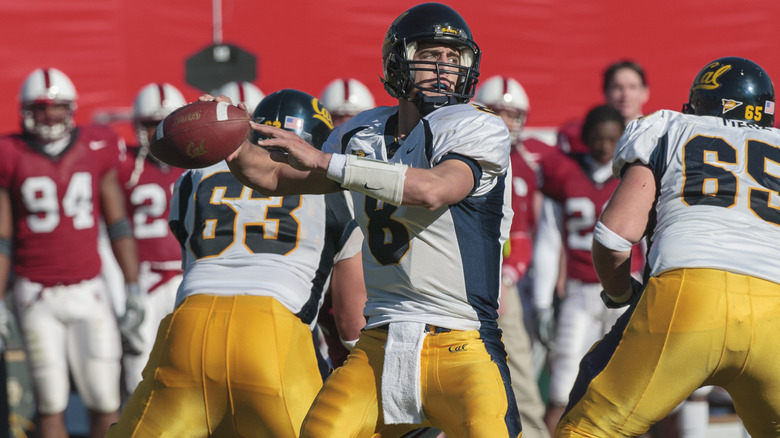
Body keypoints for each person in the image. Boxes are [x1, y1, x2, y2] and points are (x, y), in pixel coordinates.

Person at [225, 3, 521, 436]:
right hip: (380, 342)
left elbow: (435, 188)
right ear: (398, 60)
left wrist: (327, 160)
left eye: (454, 59)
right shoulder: (362, 132)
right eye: (432, 54)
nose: (444, 68)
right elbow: (269, 175)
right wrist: (225, 139)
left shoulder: (477, 126)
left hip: (463, 341)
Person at [106, 89, 366, 438]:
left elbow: (190, 247)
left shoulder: (193, 178)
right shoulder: (340, 191)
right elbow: (352, 325)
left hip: (188, 328)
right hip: (274, 336)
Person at [556, 56, 780, 437]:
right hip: (773, 309)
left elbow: (614, 237)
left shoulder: (668, 128)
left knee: (587, 427)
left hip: (689, 295)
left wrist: (620, 293)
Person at [0, 67, 142, 438]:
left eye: (56, 107)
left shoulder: (96, 144)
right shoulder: (9, 152)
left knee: (104, 397)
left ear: (71, 108)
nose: (49, 116)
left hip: (88, 289)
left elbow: (118, 224)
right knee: (49, 401)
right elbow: (1, 238)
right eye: (41, 108)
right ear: (26, 111)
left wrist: (132, 287)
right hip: (35, 293)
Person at [532, 105, 647, 433]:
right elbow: (548, 242)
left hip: (629, 288)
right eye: (596, 139)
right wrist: (543, 301)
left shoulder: (635, 176)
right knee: (563, 383)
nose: (603, 146)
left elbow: (650, 240)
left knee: (630, 381)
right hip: (582, 290)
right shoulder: (564, 173)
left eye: (611, 139)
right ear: (584, 139)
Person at [475, 74, 550, 438]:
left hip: (504, 282)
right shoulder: (460, 148)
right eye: (497, 112)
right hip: (457, 280)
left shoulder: (527, 162)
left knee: (519, 369)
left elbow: (522, 233)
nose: (505, 121)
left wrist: (507, 277)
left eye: (512, 114)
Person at [117, 82, 187, 397]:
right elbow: (110, 230)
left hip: (190, 275)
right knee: (138, 372)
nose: (159, 131)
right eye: (151, 123)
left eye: (168, 122)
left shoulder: (202, 165)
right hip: (145, 278)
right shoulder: (123, 167)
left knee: (191, 368)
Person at [557, 60, 649, 156]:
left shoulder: (656, 132)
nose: (625, 95)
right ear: (605, 91)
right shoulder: (579, 135)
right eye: (617, 87)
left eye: (632, 87)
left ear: (645, 92)